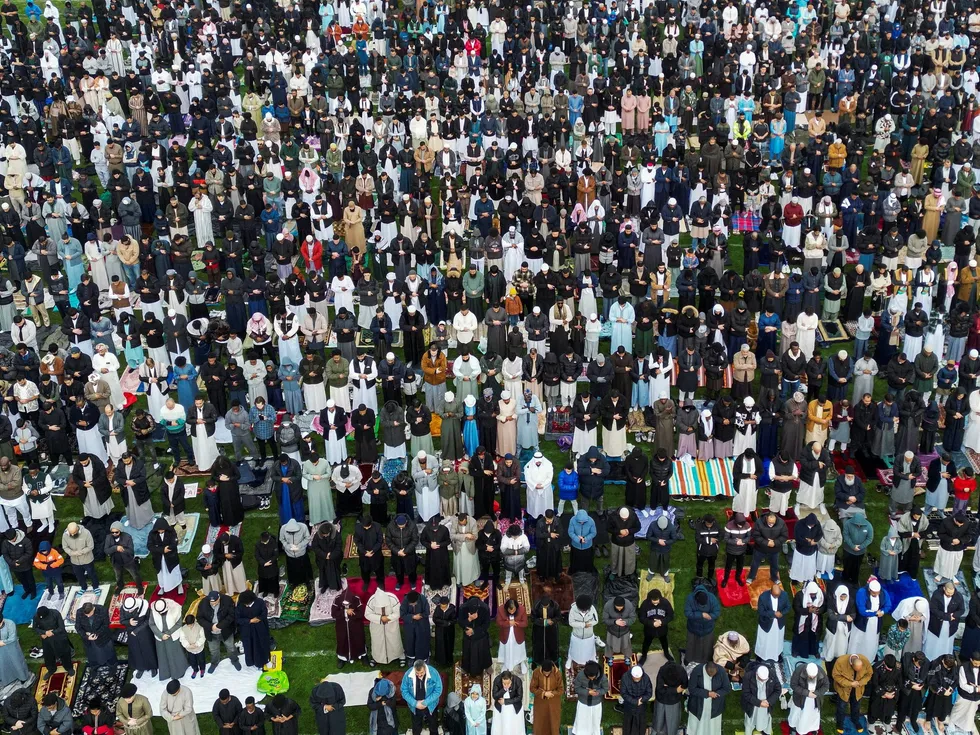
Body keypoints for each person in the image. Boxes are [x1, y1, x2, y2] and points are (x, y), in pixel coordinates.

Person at [198, 590, 241, 672]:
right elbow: (199, 618)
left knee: (231, 648)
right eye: (211, 602)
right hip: (211, 633)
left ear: (219, 598)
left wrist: (220, 626)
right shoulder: (203, 603)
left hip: (226, 631)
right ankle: (214, 663)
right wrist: (211, 626)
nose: (213, 604)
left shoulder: (227, 600)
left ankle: (235, 660)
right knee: (213, 650)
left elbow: (232, 615)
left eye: (215, 602)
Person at [150, 598, 189, 681]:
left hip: (172, 635)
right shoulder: (154, 609)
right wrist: (161, 635)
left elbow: (178, 624)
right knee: (162, 656)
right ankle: (165, 673)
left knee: (174, 654)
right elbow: (152, 624)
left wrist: (168, 633)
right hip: (160, 637)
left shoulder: (176, 608)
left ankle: (178, 672)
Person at [686, 662, 730, 735]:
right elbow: (692, 689)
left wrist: (716, 694)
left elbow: (727, 688)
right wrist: (707, 693)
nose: (711, 677)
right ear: (705, 670)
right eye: (709, 675)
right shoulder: (697, 670)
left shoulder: (721, 671)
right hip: (698, 704)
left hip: (715, 706)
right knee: (697, 727)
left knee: (713, 728)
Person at [831, 654, 872, 733]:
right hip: (844, 689)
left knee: (856, 706)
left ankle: (855, 720)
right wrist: (850, 683)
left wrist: (861, 682)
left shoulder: (865, 660)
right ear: (851, 665)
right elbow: (835, 675)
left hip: (858, 689)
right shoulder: (840, 661)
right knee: (841, 707)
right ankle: (840, 723)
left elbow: (869, 673)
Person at [402, 660, 443, 735]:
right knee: (416, 727)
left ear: (425, 668)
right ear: (414, 669)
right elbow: (404, 691)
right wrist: (415, 703)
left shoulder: (434, 673)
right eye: (417, 673)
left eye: (422, 673)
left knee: (433, 726)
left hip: (431, 705)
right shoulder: (408, 675)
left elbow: (438, 690)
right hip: (415, 707)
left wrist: (426, 702)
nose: (419, 675)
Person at [789, 663, 830, 735]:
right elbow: (793, 685)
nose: (812, 677)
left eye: (814, 676)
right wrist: (807, 693)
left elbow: (826, 685)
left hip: (815, 699)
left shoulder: (821, 672)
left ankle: (813, 728)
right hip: (800, 698)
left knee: (813, 714)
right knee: (796, 713)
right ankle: (793, 727)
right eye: (810, 676)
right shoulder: (799, 670)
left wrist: (817, 693)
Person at [332, 586, 367, 667]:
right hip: (342, 626)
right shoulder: (337, 599)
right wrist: (345, 612)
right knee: (342, 640)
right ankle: (342, 657)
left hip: (355, 626)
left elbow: (361, 613)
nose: (346, 605)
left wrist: (352, 614)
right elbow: (334, 613)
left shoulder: (356, 599)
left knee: (358, 639)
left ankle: (362, 654)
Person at [685, 584, 721, 663]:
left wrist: (711, 616)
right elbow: (687, 613)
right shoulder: (690, 598)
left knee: (707, 646)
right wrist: (701, 615)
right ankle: (689, 660)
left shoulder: (712, 598)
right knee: (692, 645)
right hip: (693, 628)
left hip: (707, 628)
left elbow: (717, 612)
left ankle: (707, 661)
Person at [741, 662, 780, 735]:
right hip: (752, 705)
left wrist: (769, 701)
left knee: (766, 718)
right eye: (761, 680)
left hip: (766, 705)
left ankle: (765, 732)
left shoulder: (772, 674)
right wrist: (759, 703)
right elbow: (746, 694)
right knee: (750, 720)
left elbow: (778, 690)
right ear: (757, 674)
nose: (764, 681)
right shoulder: (748, 676)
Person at [236, 590, 271, 669]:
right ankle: (251, 661)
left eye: (247, 604)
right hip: (247, 630)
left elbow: (264, 613)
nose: (246, 605)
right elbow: (237, 619)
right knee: (249, 646)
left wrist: (259, 618)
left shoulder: (260, 602)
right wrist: (250, 621)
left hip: (260, 627)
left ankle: (264, 660)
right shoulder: (240, 605)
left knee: (262, 644)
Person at [572, 661, 609, 735]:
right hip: (583, 702)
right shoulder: (580, 676)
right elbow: (577, 688)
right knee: (582, 721)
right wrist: (587, 692)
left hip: (596, 703)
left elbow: (605, 689)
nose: (592, 679)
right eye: (590, 677)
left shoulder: (602, 677)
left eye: (593, 677)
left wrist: (597, 692)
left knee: (595, 722)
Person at [530, 661, 562, 735]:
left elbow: (561, 690)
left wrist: (552, 693)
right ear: (542, 669)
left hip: (553, 702)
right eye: (545, 673)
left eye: (548, 673)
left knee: (553, 722)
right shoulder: (536, 672)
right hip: (540, 702)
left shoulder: (557, 673)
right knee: (540, 722)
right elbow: (532, 688)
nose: (547, 674)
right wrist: (544, 693)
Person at [0, 611, 31, 687]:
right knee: (3, 663)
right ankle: (7, 679)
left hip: (12, 648)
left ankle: (22, 677)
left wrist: (3, 642)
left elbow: (12, 637)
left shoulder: (10, 623)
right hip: (1, 651)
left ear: (2, 620)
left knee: (17, 662)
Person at [490, 669, 523, 735]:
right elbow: (494, 696)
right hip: (500, 708)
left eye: (508, 683)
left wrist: (505, 701)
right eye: (504, 683)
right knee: (501, 727)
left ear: (511, 678)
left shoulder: (517, 680)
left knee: (514, 727)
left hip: (515, 707)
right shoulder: (497, 680)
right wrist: (504, 689)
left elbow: (519, 697)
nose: (506, 685)